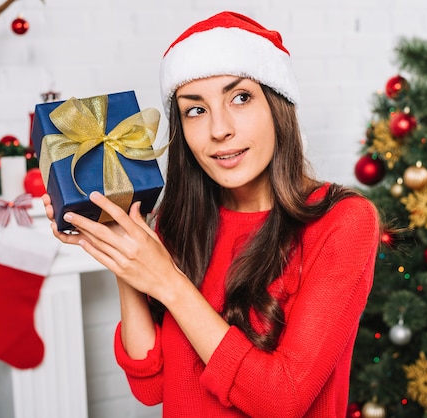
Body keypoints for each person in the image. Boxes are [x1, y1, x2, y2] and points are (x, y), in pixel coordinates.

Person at [42, 11, 380, 418]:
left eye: (240, 98)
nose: (219, 129)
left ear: (277, 105)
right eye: (195, 110)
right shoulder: (179, 222)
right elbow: (150, 387)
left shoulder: (343, 222)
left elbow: (282, 400)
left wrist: (168, 282)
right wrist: (123, 245)